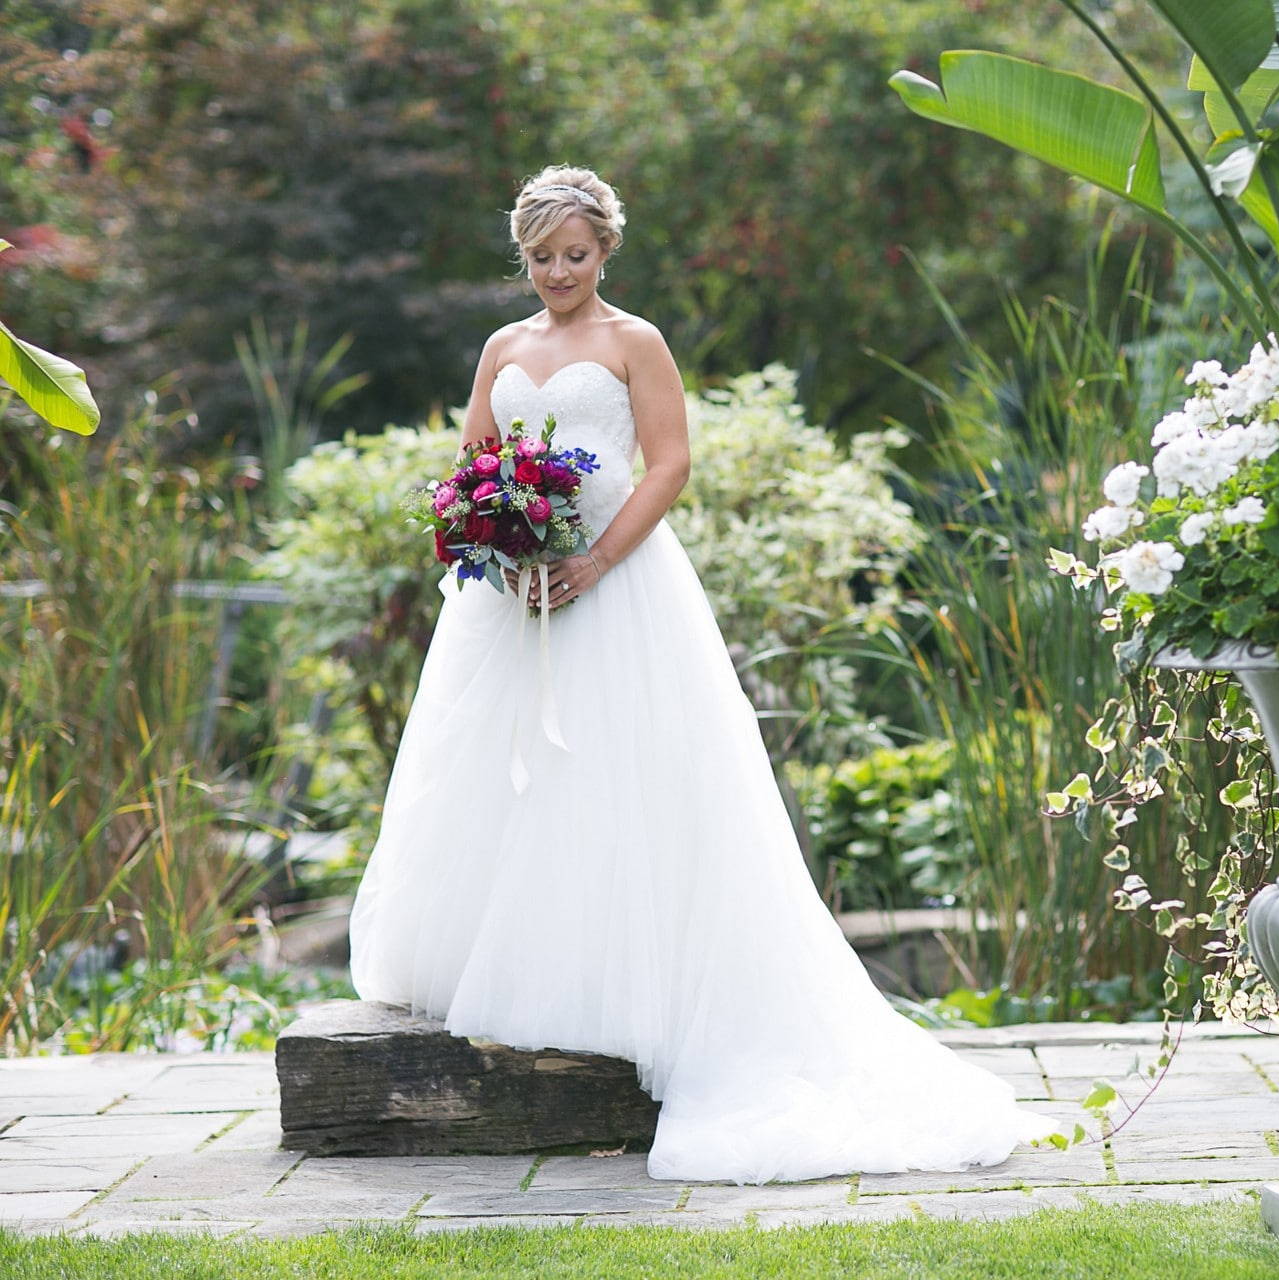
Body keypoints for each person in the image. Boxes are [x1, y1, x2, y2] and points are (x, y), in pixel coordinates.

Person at [347, 165, 1059, 1183]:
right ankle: (516, 973)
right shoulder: (504, 346)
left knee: (622, 771)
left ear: (606, 251)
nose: (558, 272)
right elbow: (475, 455)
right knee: (503, 773)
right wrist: (494, 538)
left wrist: (592, 558)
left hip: (619, 584)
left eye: (576, 255)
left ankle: (634, 991)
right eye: (542, 256)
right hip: (510, 598)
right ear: (525, 255)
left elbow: (670, 462)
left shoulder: (635, 342)